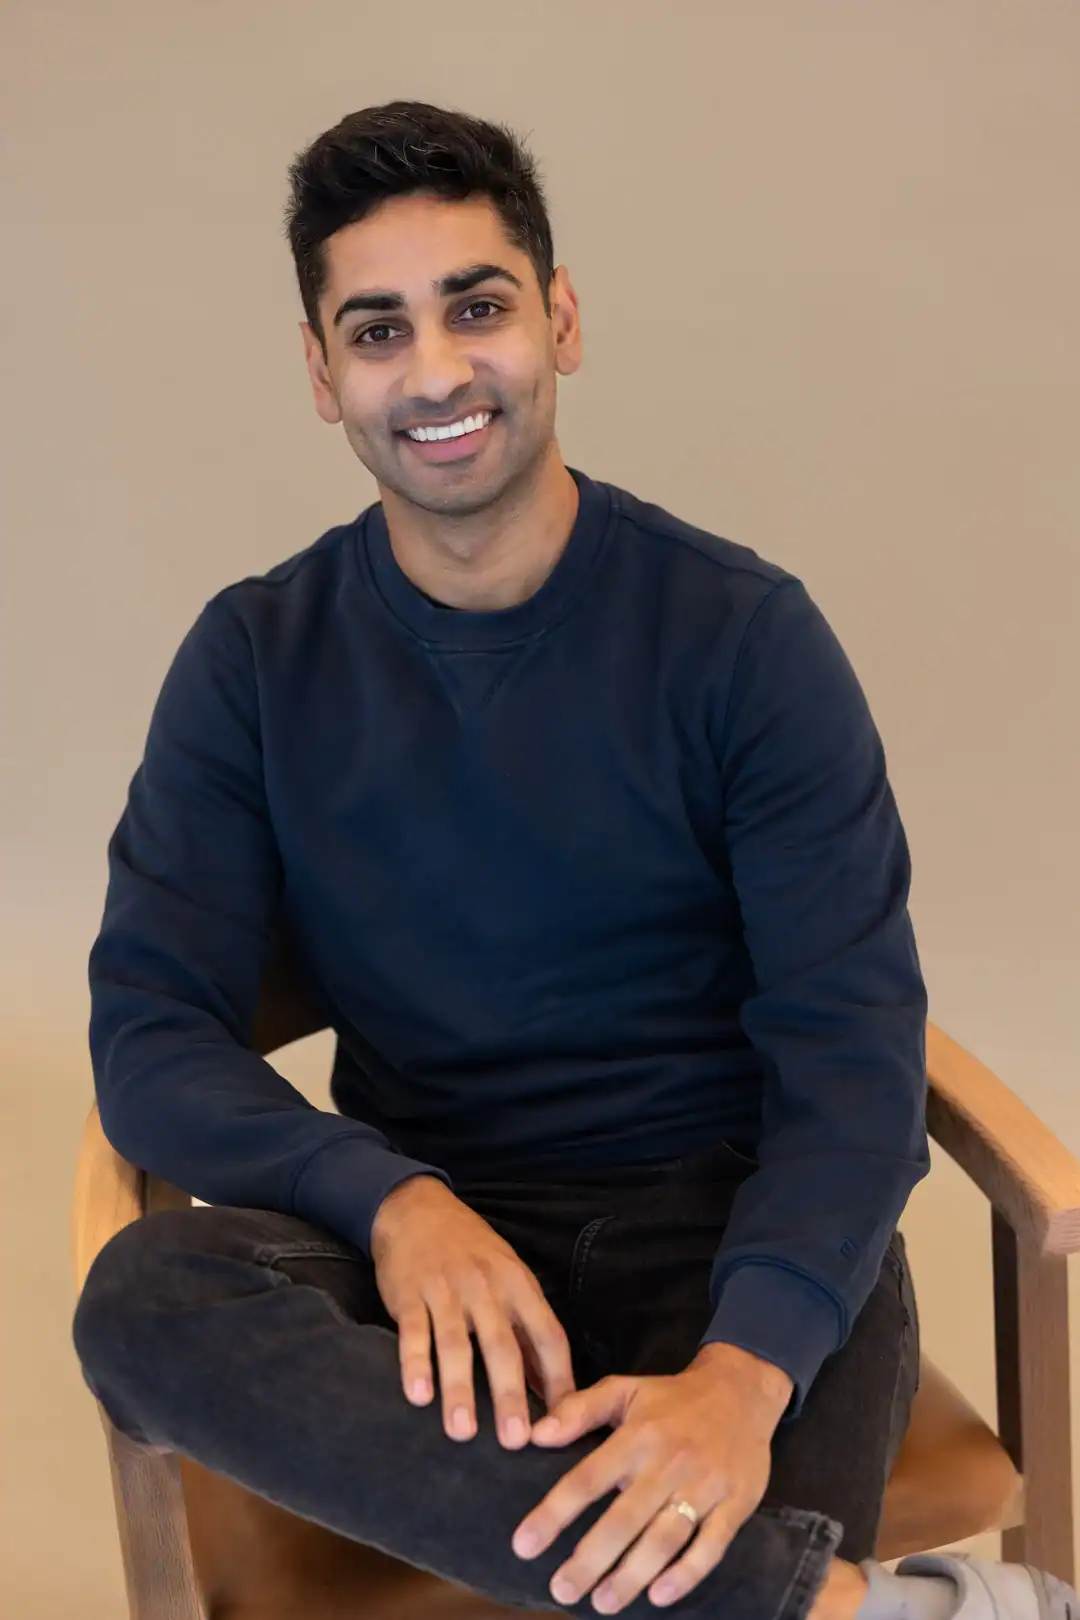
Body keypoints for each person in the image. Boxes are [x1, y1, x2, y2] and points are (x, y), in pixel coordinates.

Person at [71, 101, 1076, 1620]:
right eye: (379, 329)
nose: (438, 372)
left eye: (477, 307)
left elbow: (853, 1059)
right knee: (147, 1301)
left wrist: (740, 1380)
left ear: (560, 318)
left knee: (813, 1294)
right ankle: (863, 1610)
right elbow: (152, 1035)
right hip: (432, 1259)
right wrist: (389, 1202)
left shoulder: (746, 640)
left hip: (733, 1237)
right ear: (322, 373)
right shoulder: (256, 660)